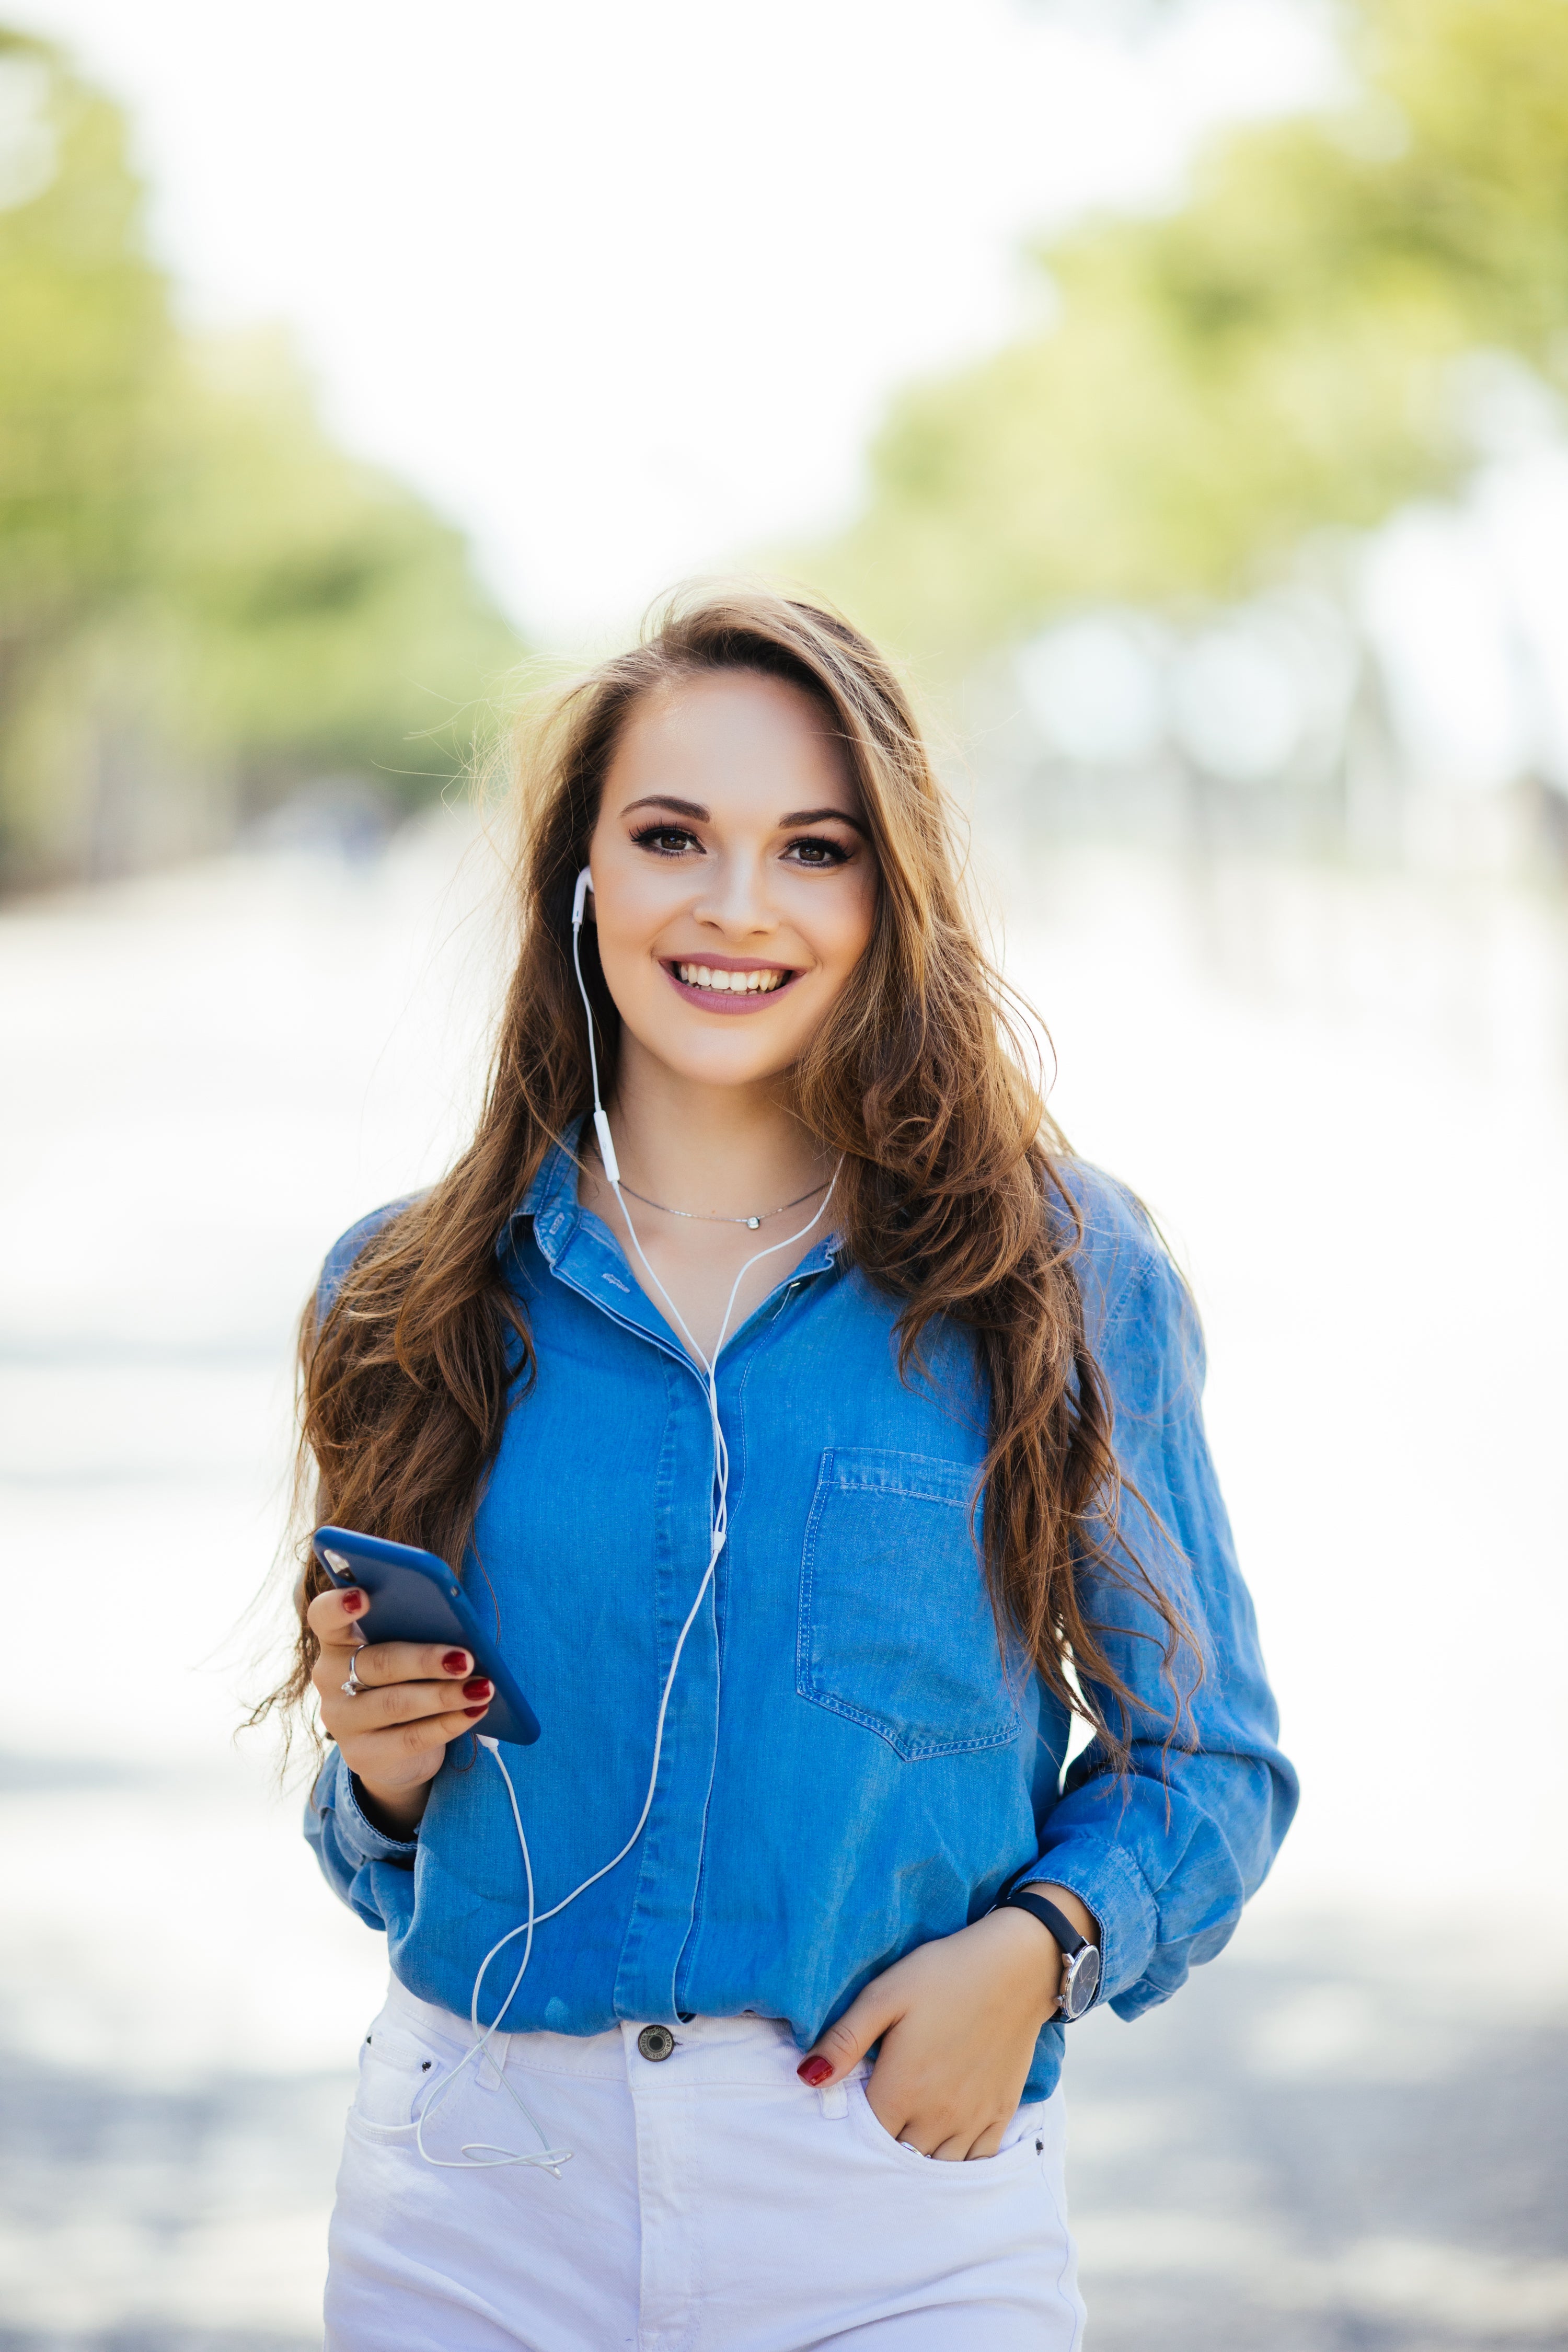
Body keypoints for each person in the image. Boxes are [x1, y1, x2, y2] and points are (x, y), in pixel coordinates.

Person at [269, 587, 1296, 2350]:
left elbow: (1209, 1762)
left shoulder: (1055, 1274)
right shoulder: (404, 1290)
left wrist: (1041, 1944)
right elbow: (378, 1844)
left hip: (893, 2201)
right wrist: (372, 1777)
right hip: (475, 2200)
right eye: (673, 835)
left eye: (811, 847)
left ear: (886, 890)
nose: (736, 905)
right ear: (581, 876)